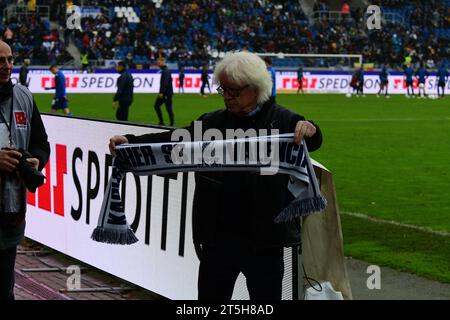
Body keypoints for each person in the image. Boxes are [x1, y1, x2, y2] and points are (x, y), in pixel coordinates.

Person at [108, 51, 323, 300]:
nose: (228, 97)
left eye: (235, 91)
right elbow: (173, 142)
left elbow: (313, 140)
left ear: (255, 89)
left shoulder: (282, 121)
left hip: (265, 242)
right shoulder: (212, 122)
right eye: (224, 90)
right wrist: (131, 143)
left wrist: (311, 129)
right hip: (217, 240)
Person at [0, 40, 50, 300]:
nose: (7, 66)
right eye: (0, 60)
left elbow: (41, 143)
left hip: (10, 213)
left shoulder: (24, 96)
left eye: (9, 60)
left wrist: (37, 162)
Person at [154, 57, 174, 126]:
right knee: (159, 106)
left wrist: (162, 92)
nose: (158, 64)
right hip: (167, 93)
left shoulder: (165, 71)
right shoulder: (165, 70)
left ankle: (170, 123)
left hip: (166, 94)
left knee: (168, 108)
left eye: (159, 62)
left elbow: (164, 83)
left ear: (163, 62)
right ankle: (163, 122)